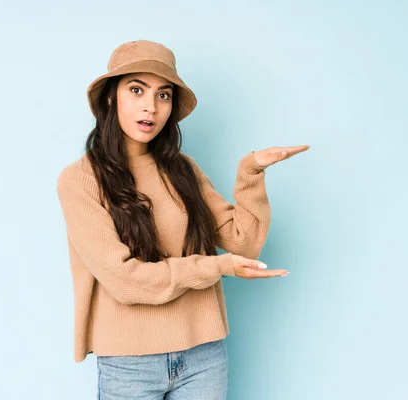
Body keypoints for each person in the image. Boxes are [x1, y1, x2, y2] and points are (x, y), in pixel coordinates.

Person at [56, 39, 309, 399]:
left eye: (163, 95)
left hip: (204, 354)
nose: (151, 107)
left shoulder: (182, 170)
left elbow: (244, 242)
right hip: (130, 363)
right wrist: (213, 267)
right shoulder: (80, 180)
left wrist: (250, 172)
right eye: (137, 90)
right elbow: (125, 281)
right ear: (111, 97)